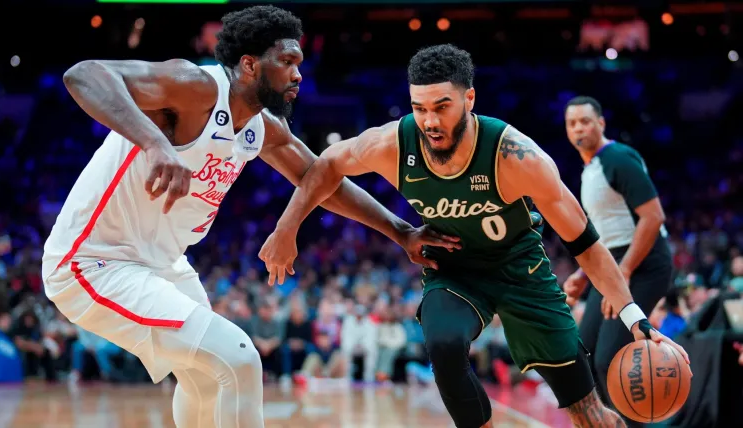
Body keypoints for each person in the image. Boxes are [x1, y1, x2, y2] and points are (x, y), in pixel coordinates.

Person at [40, 7, 457, 428]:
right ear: (249, 64)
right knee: (238, 357)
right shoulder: (195, 86)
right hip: (93, 262)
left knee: (204, 378)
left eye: (300, 64)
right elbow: (84, 74)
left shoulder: (263, 128)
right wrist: (155, 144)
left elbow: (322, 180)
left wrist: (401, 231)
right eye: (287, 62)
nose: (298, 75)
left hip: (160, 263)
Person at [259, 44, 691, 428]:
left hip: (522, 271)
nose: (429, 120)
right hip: (455, 270)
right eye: (419, 107)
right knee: (444, 347)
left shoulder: (517, 156)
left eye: (441, 106)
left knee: (589, 413)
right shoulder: (392, 143)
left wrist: (636, 318)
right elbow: (326, 166)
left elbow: (586, 244)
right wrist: (287, 226)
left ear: (469, 99)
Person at [561, 96, 675, 424]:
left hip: (644, 264)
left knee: (611, 358)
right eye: (572, 123)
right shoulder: (590, 169)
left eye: (585, 120)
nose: (579, 127)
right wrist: (584, 274)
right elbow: (605, 237)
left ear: (601, 123)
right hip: (613, 265)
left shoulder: (618, 159)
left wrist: (623, 271)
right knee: (583, 354)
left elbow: (653, 217)